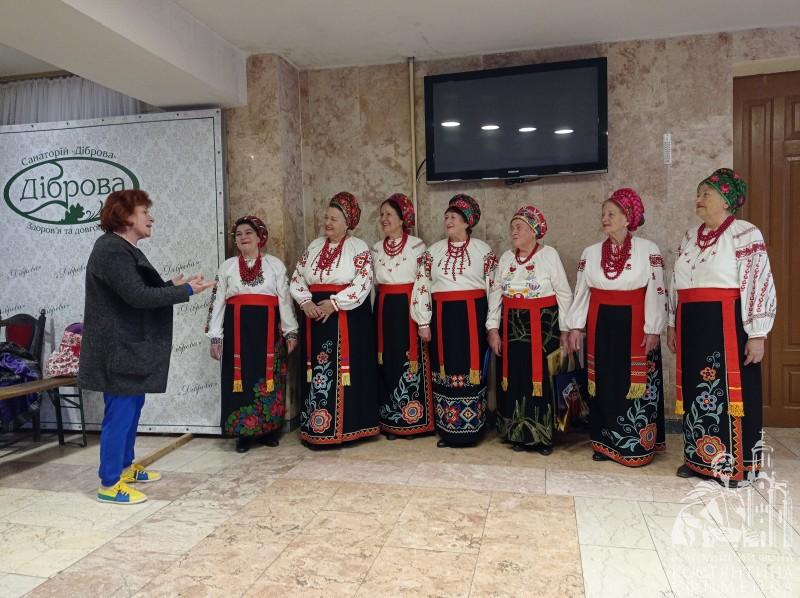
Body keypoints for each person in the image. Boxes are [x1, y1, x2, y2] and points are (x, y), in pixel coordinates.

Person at [79, 189, 214, 504]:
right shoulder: (111, 249)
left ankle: (125, 468)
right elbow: (138, 297)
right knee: (120, 414)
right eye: (144, 212)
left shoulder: (121, 248)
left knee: (131, 408)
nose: (150, 218)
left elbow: (133, 292)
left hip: (128, 348)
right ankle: (109, 484)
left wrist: (170, 287)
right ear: (126, 216)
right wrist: (184, 291)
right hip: (119, 349)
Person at [667, 169, 776, 486]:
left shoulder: (745, 234)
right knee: (696, 390)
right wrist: (673, 322)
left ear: (727, 200)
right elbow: (677, 282)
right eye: (698, 194)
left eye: (706, 194)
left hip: (726, 323)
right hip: (692, 323)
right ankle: (697, 459)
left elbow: (758, 282)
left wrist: (757, 333)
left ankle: (738, 466)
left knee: (729, 393)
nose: (698, 199)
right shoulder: (690, 236)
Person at [566, 188, 667, 467]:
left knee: (634, 383)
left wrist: (653, 328)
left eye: (611, 214)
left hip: (635, 324)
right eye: (603, 214)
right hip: (601, 323)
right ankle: (605, 442)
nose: (605, 218)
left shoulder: (648, 249)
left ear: (628, 218)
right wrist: (575, 326)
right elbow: (582, 292)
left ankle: (637, 445)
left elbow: (657, 290)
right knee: (604, 381)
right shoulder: (590, 253)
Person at [290, 192, 379, 446]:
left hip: (347, 319)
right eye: (326, 217)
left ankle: (349, 429)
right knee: (317, 370)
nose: (327, 223)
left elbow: (363, 282)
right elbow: (297, 277)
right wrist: (305, 302)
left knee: (346, 373)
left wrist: (335, 303)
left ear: (347, 222)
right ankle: (318, 428)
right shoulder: (314, 246)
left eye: (334, 219)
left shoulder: (358, 247)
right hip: (315, 318)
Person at [206, 215, 299, 453]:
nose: (243, 237)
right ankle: (243, 434)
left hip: (268, 330)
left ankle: (269, 430)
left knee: (269, 377)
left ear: (259, 237)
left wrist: (290, 331)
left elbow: (284, 300)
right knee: (240, 380)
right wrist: (215, 335)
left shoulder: (274, 265)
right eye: (239, 234)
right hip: (237, 331)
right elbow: (217, 302)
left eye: (248, 233)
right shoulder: (227, 267)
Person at [412, 194, 497, 448]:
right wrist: (423, 322)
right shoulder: (433, 252)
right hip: (443, 319)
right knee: (444, 371)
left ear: (467, 223)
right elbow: (422, 286)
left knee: (472, 372)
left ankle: (474, 429)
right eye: (446, 217)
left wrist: (492, 324)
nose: (448, 221)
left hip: (472, 318)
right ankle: (448, 430)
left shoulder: (483, 251)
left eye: (453, 217)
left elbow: (495, 290)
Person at [487, 205, 572, 454]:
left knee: (543, 379)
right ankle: (517, 434)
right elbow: (495, 293)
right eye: (512, 227)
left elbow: (564, 293)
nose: (514, 231)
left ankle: (543, 437)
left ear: (534, 231)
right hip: (512, 327)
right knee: (515, 378)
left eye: (519, 227)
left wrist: (566, 329)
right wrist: (493, 328)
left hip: (544, 327)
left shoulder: (549, 255)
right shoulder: (506, 258)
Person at [372, 194, 433, 439]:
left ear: (401, 218)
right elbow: (372, 285)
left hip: (409, 308)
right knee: (387, 360)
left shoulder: (418, 246)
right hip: (384, 309)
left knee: (410, 359)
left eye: (389, 214)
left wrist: (423, 320)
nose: (384, 219)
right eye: (382, 215)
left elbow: (423, 282)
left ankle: (414, 421)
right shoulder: (376, 248)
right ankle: (390, 422)